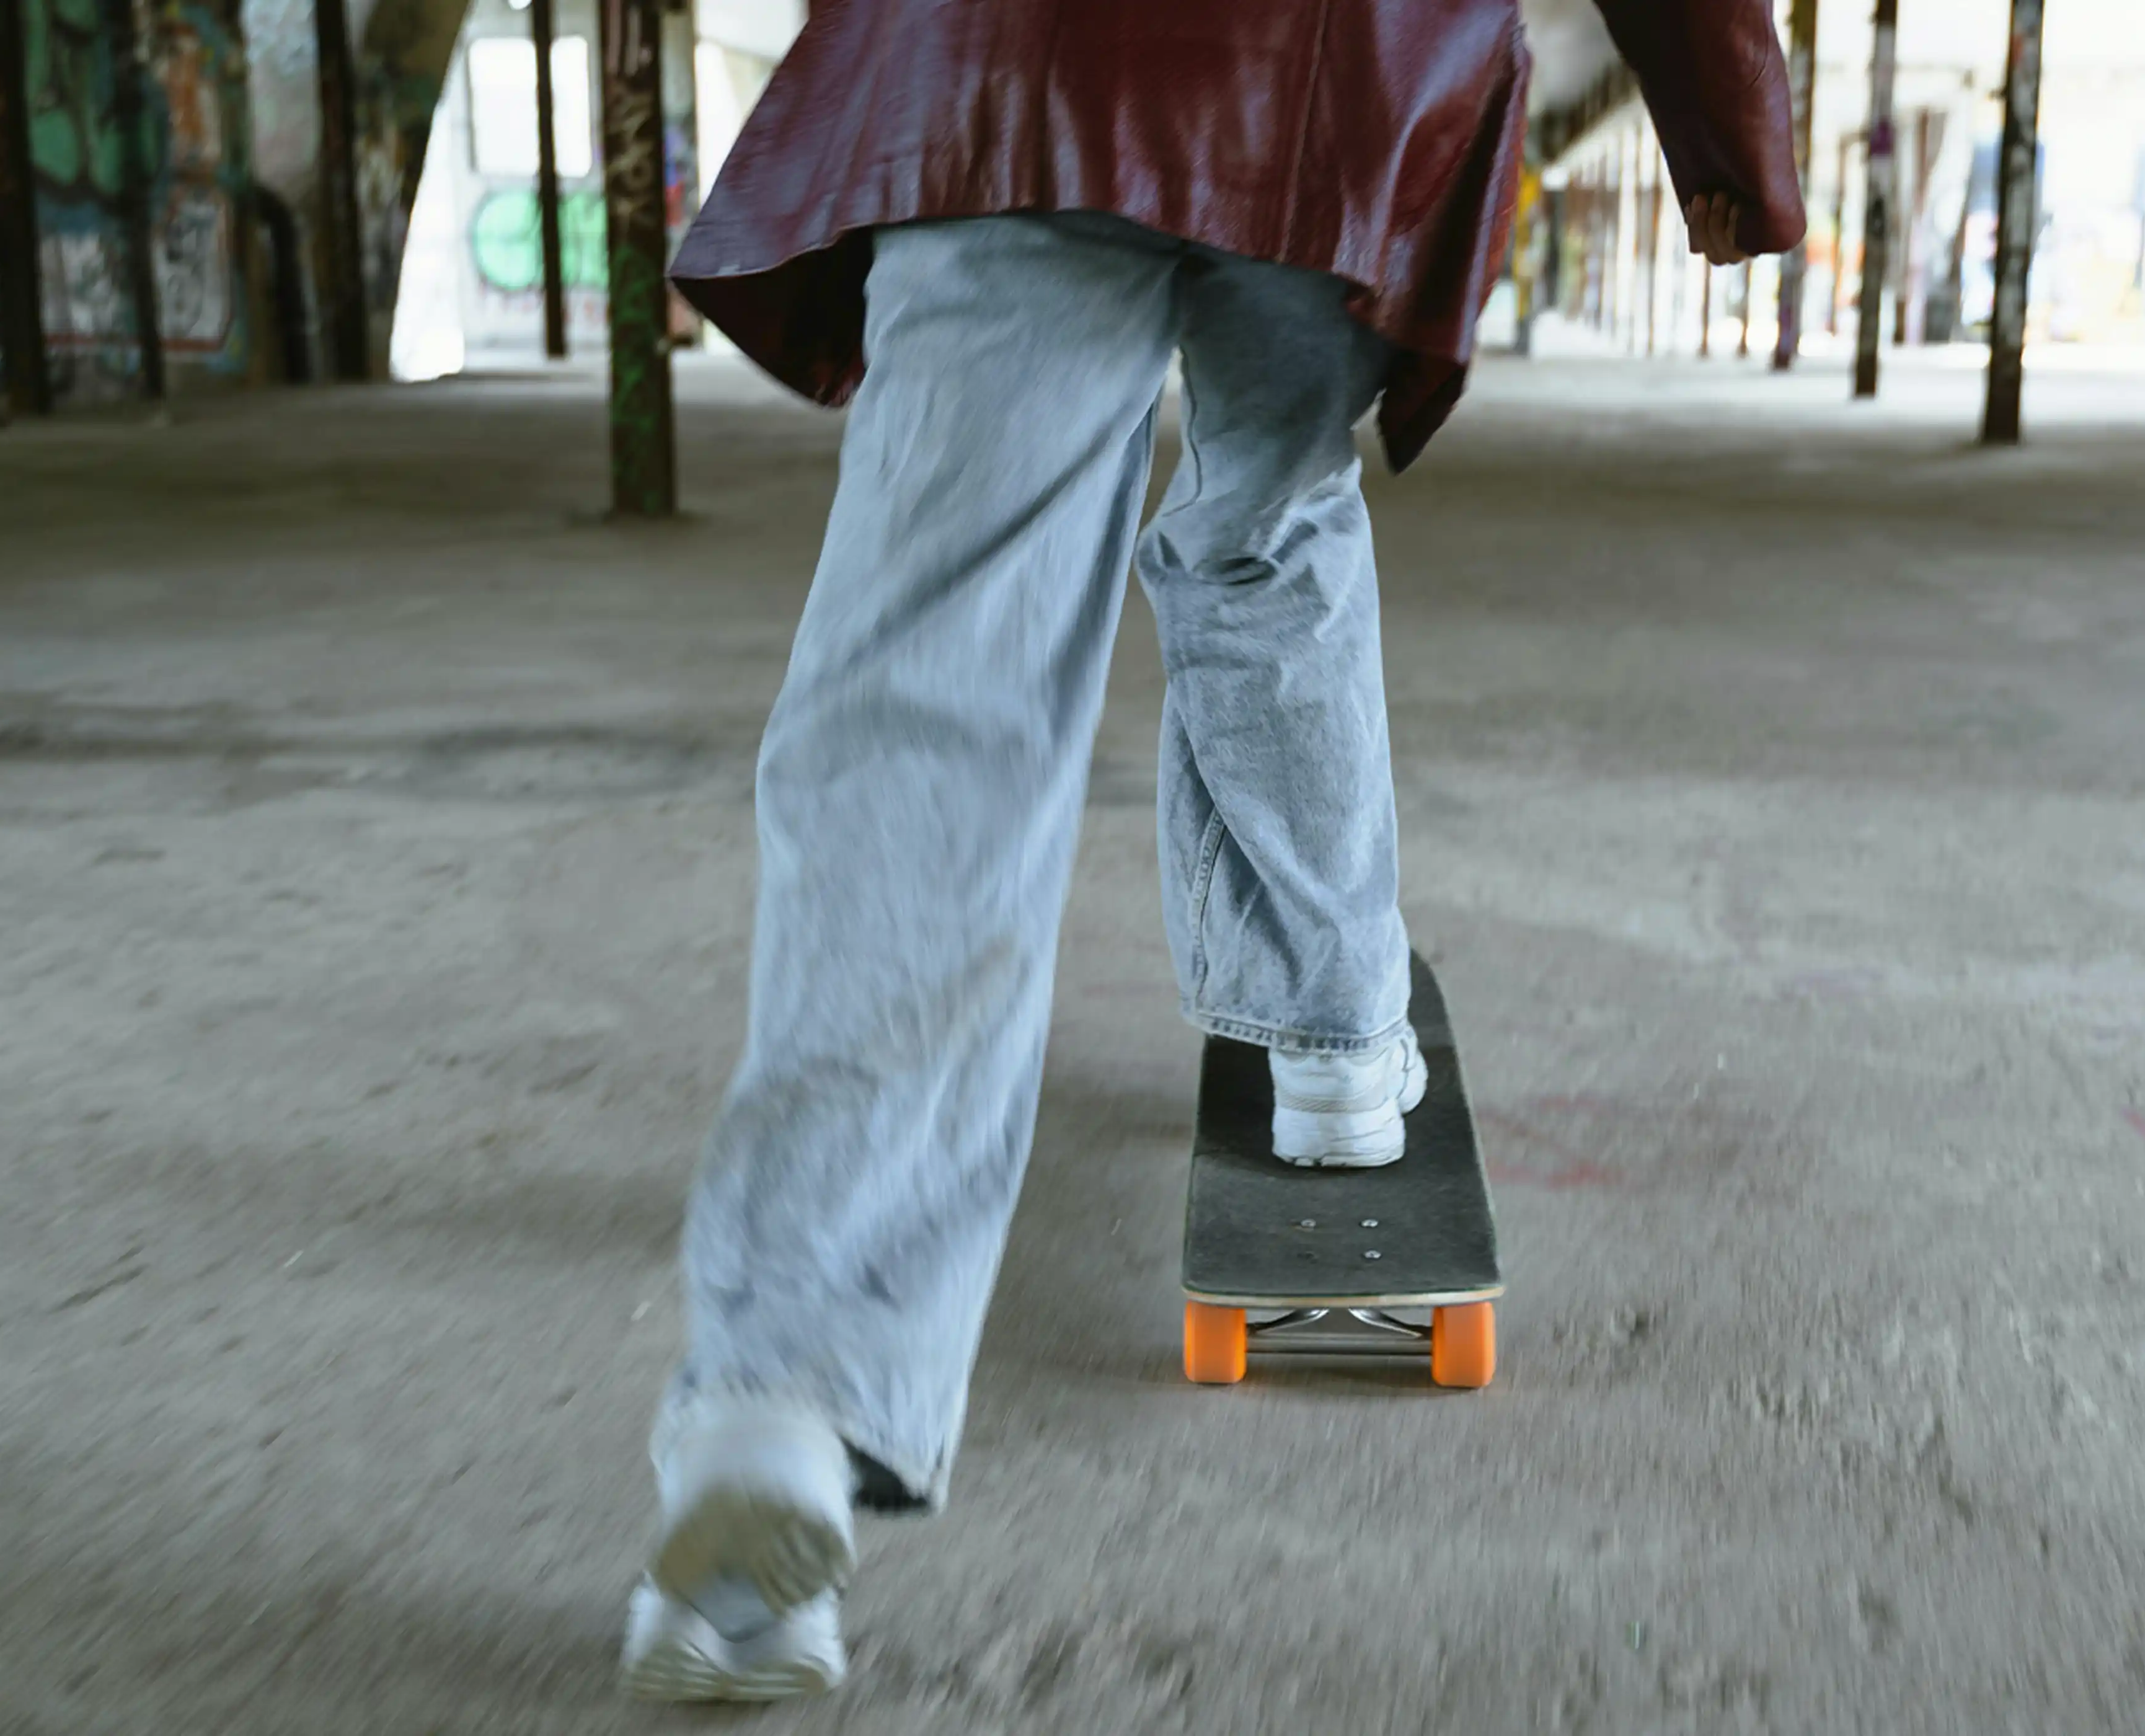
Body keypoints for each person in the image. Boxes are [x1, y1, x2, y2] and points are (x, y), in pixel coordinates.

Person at [619, 0, 1803, 1701]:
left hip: (1008, 61)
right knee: (1270, 527)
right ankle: (1333, 1044)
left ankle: (785, 1398)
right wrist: (1730, 134)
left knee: (937, 674)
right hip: (1344, 76)